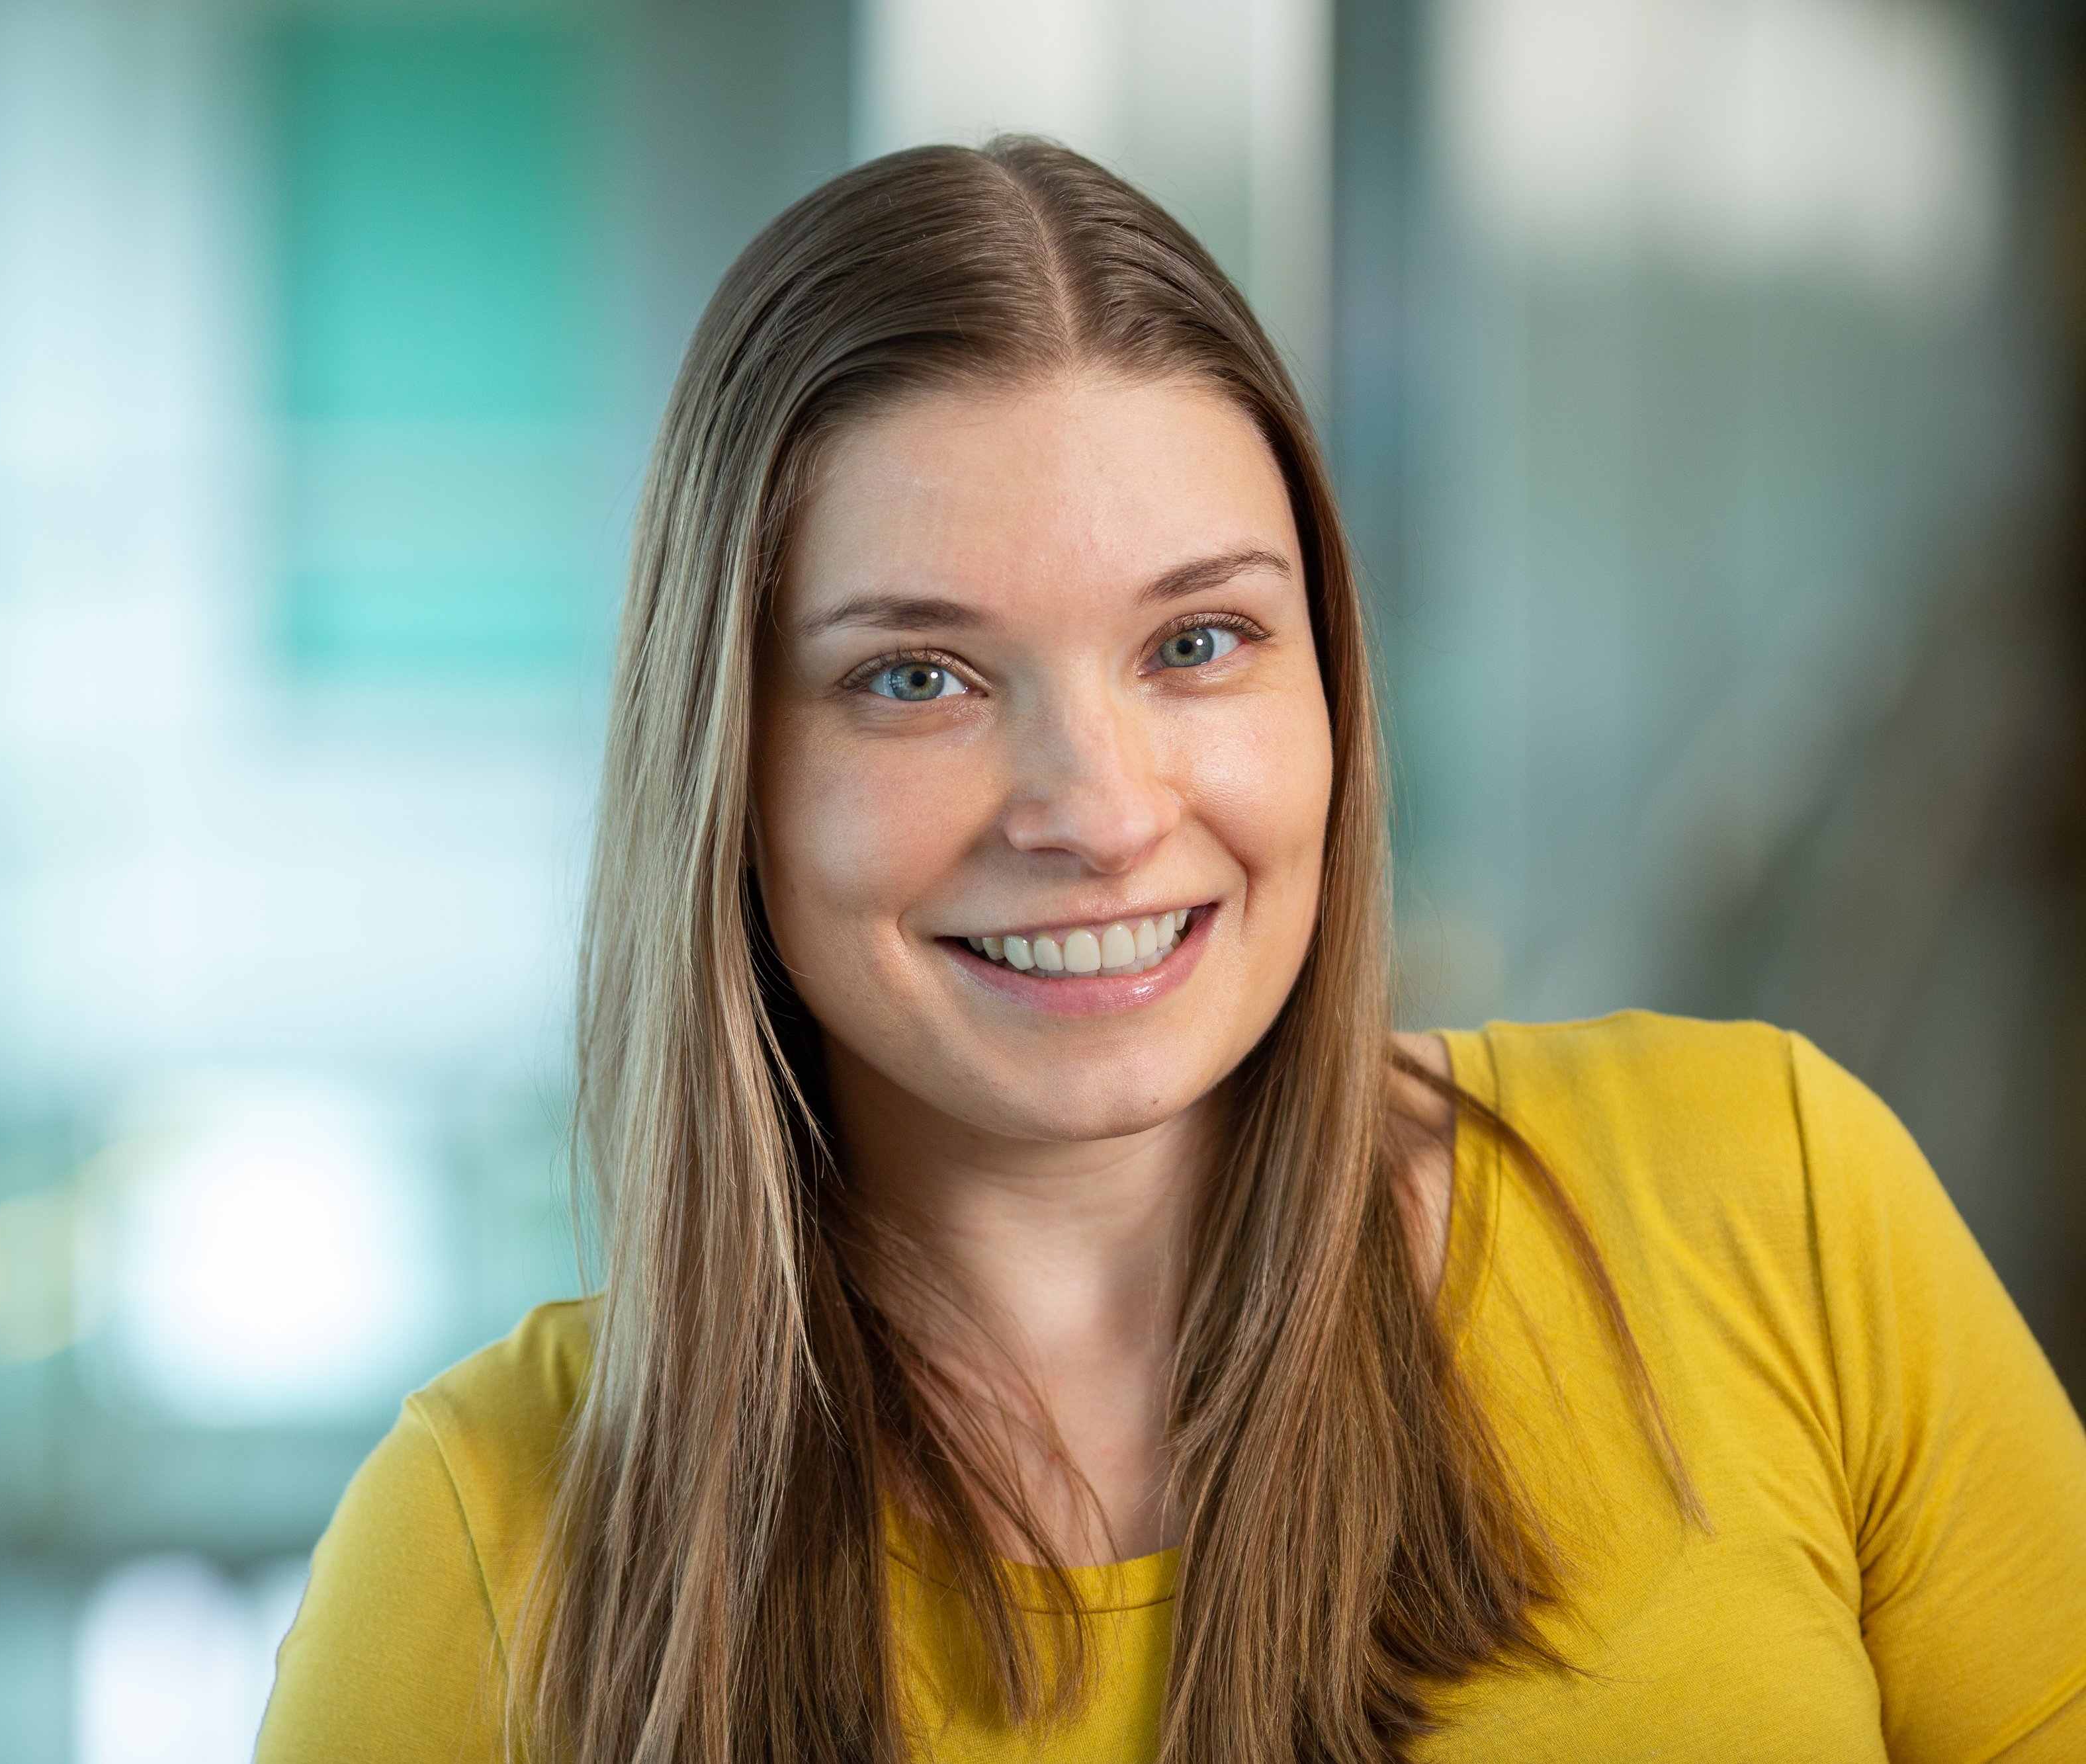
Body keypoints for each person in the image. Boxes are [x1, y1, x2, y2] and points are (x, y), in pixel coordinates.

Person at [253, 139, 2086, 1763]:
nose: (1100, 808)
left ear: (1332, 685)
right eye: (919, 677)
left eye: (1197, 643)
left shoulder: (1770, 1197)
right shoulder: (486, 1547)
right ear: (728, 767)